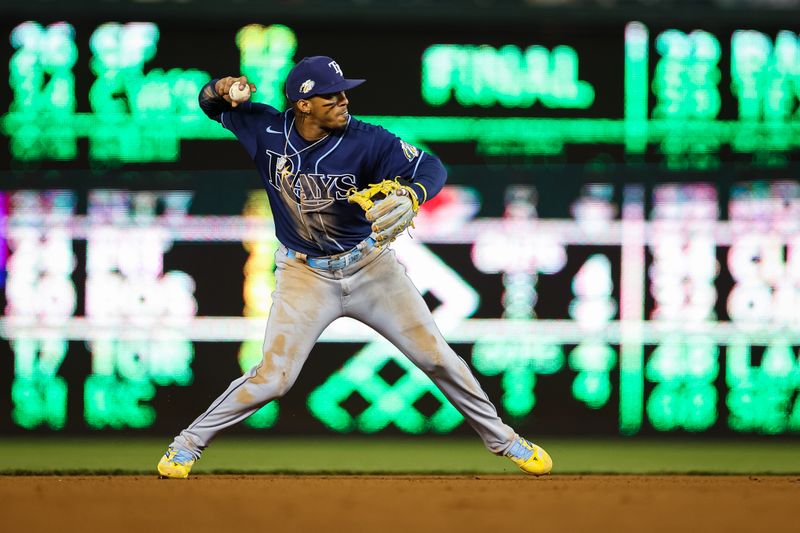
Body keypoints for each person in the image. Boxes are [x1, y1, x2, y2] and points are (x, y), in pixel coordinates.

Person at [157, 56, 552, 478]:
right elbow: (211, 105)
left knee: (437, 357)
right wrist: (221, 87)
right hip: (303, 274)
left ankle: (506, 441)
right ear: (303, 104)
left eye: (344, 90)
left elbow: (430, 167)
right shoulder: (266, 130)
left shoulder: (367, 140)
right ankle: (186, 446)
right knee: (274, 378)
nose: (343, 99)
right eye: (331, 94)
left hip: (370, 268)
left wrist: (414, 194)